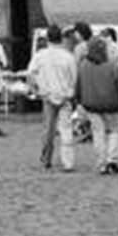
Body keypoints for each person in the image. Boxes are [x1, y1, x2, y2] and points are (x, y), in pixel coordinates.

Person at [73, 36, 118, 174]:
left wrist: (79, 100)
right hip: (111, 104)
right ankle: (112, 160)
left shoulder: (83, 65)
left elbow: (78, 85)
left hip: (91, 105)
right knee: (114, 131)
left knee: (98, 133)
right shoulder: (111, 66)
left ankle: (101, 162)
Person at [29, 25, 77, 172]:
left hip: (48, 96)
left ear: (47, 39)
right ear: (61, 39)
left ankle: (46, 159)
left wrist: (36, 90)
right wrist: (69, 92)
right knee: (66, 129)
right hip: (65, 96)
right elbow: (74, 78)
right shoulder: (68, 56)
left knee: (48, 130)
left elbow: (31, 75)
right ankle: (68, 162)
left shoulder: (40, 55)